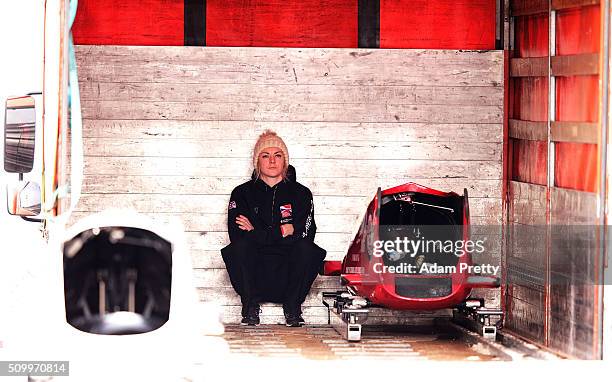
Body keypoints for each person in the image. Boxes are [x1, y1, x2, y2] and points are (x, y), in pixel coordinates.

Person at [220, 130, 326, 327]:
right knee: (240, 247)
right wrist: (281, 231)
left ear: (285, 161)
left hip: (287, 269)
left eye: (277, 155)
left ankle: (293, 307)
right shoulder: (242, 193)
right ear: (257, 161)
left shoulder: (301, 193)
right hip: (255, 271)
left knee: (307, 249)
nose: (272, 161)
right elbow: (237, 235)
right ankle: (250, 307)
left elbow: (305, 233)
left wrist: (255, 232)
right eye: (265, 156)